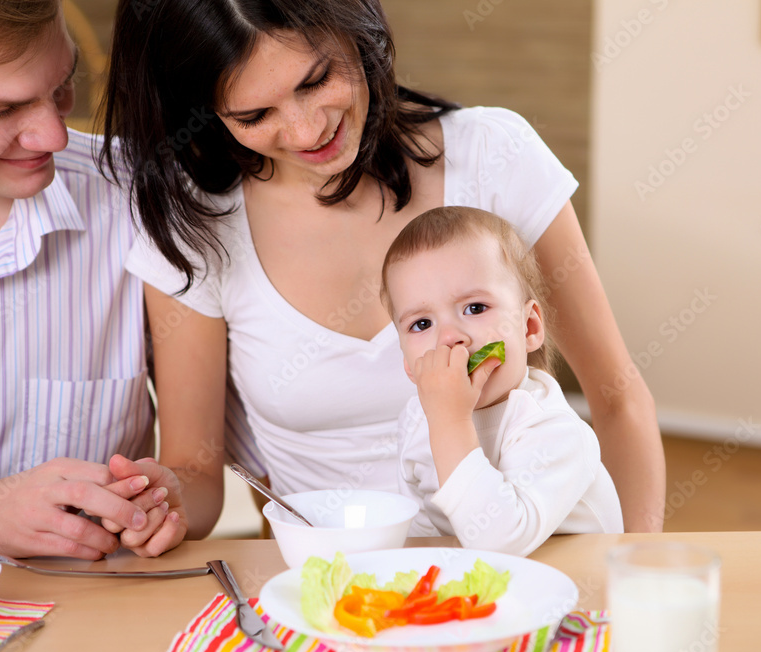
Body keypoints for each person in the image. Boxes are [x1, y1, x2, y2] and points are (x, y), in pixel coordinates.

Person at [103, 0, 665, 554]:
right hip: (336, 588)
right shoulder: (198, 223)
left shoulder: (495, 156)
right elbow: (196, 473)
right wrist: (163, 497)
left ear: (354, 26)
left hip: (532, 573)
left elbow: (617, 401)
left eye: (317, 80)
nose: (307, 130)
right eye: (254, 116)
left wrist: (639, 576)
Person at [0, 0, 176, 559]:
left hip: (88, 622)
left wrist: (157, 499)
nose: (55, 135)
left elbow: (194, 474)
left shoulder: (139, 199)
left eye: (62, 85)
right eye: (3, 109)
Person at [382, 206, 623, 556]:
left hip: (583, 596)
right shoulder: (418, 419)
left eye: (475, 308)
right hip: (496, 597)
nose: (450, 338)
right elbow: (423, 536)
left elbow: (498, 542)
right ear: (407, 362)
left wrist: (450, 422)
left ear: (529, 328)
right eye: (421, 324)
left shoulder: (553, 429)